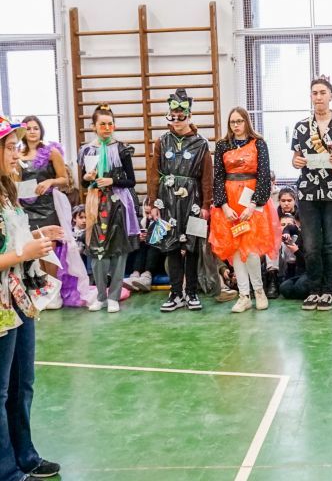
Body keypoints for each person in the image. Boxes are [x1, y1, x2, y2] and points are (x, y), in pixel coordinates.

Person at [0, 115, 63, 481]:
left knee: (21, 383)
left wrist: (39, 235)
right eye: (10, 148)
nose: (17, 154)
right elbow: (11, 252)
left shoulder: (7, 191)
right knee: (0, 390)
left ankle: (24, 456)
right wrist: (23, 253)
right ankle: (5, 474)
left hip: (20, 296)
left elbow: (13, 239)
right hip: (2, 304)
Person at [291, 75, 332, 311]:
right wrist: (297, 162)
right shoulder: (301, 126)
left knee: (331, 242)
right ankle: (313, 290)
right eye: (315, 93)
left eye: (322, 92)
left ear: (331, 96)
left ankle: (328, 291)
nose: (318, 97)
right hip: (307, 192)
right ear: (311, 96)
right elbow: (295, 157)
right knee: (311, 244)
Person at [209, 107, 281, 314]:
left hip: (252, 201)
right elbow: (218, 177)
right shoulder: (222, 145)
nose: (236, 125)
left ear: (246, 122)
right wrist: (224, 206)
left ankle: (259, 291)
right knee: (235, 250)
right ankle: (243, 296)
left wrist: (253, 205)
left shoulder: (259, 143)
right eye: (232, 122)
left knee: (250, 250)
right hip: (229, 203)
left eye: (239, 121)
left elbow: (264, 176)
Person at [147, 89, 213, 312]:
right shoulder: (162, 141)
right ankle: (175, 293)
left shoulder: (201, 143)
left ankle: (191, 292)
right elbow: (153, 173)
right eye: (172, 116)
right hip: (167, 201)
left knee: (192, 246)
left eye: (180, 116)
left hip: (193, 200)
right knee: (171, 246)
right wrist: (153, 202)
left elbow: (207, 177)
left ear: (189, 116)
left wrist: (206, 205)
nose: (176, 121)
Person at [18, 116, 92, 309]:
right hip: (26, 209)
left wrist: (50, 181)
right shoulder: (18, 155)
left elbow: (64, 179)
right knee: (33, 250)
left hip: (48, 207)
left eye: (36, 128)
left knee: (49, 249)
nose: (32, 131)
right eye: (28, 128)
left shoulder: (51, 152)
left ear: (41, 130)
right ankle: (39, 290)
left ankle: (54, 292)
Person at [78, 105, 141, 313]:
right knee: (97, 252)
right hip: (96, 204)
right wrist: (87, 178)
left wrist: (112, 180)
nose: (107, 128)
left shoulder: (122, 149)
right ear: (93, 126)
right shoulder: (87, 150)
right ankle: (101, 296)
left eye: (110, 124)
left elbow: (131, 181)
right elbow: (84, 182)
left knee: (118, 251)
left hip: (118, 204)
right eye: (102, 124)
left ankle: (114, 296)